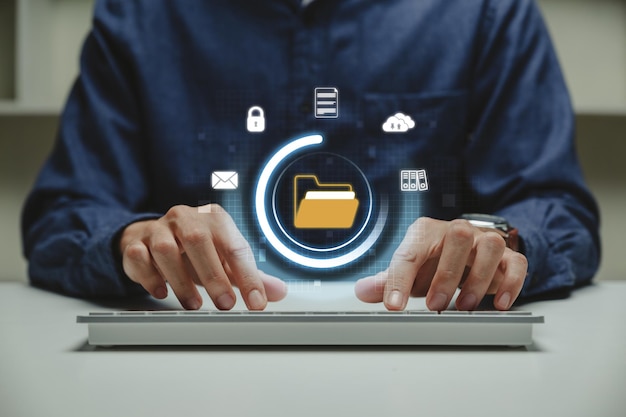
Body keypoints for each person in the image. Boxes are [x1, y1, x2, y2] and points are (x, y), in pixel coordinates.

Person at [21, 0, 600, 312]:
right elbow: (63, 215)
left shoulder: (486, 10)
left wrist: (496, 240)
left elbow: (558, 211)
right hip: (193, 346)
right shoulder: (139, 15)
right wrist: (131, 239)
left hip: (430, 347)